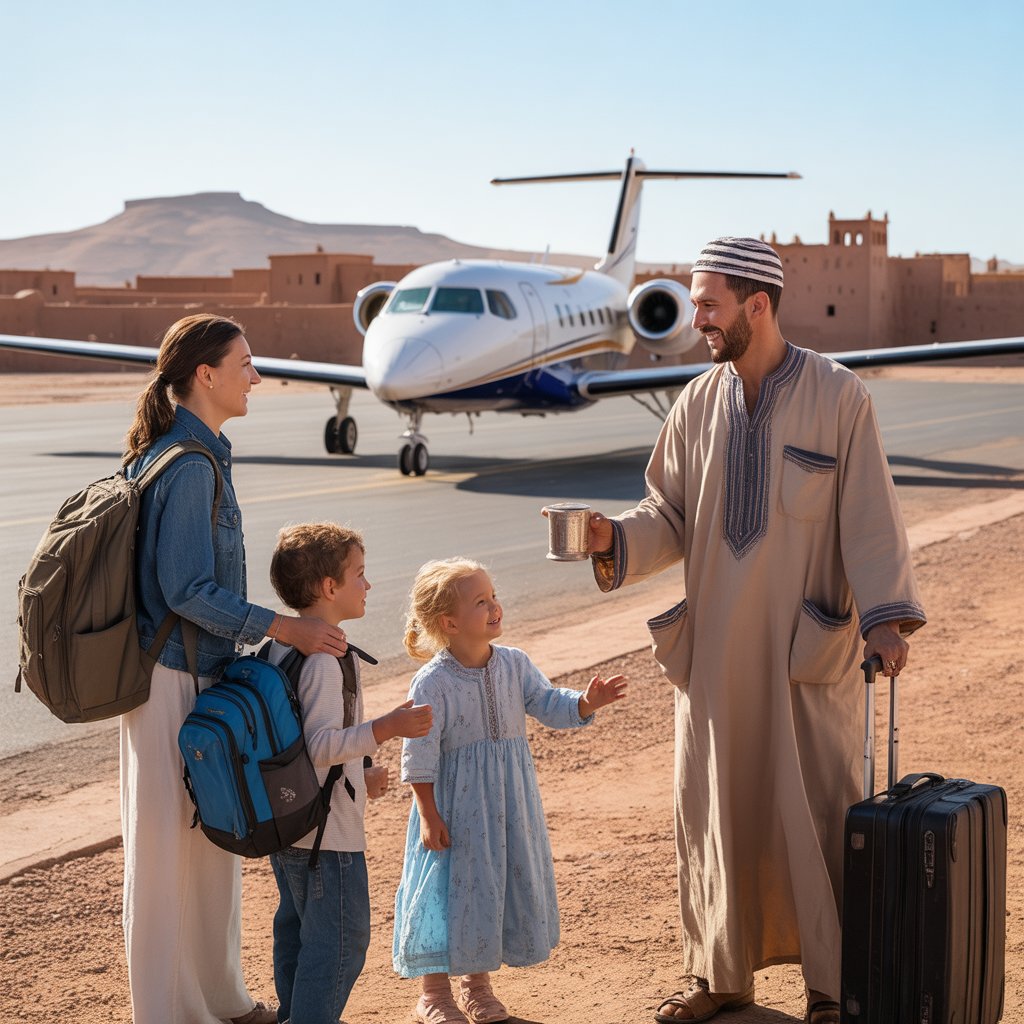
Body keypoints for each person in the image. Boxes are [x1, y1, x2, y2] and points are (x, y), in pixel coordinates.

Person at [584, 238, 926, 1024]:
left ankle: (832, 987)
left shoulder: (838, 396)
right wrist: (614, 537)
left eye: (709, 304)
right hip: (714, 658)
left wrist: (884, 620)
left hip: (807, 653)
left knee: (819, 812)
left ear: (757, 305)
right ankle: (719, 975)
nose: (696, 319)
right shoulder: (694, 403)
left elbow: (870, 518)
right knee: (715, 811)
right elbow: (668, 514)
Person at [120, 314, 350, 1024]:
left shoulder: (198, 455)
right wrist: (285, 627)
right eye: (245, 364)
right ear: (205, 374)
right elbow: (186, 589)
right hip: (169, 677)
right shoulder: (188, 466)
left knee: (211, 835)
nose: (256, 376)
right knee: (168, 849)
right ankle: (166, 1011)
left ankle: (219, 999)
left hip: (197, 671)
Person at [392, 558, 628, 1024]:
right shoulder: (433, 682)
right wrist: (428, 814)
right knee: (443, 891)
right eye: (481, 601)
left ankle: (476, 987)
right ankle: (433, 994)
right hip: (454, 809)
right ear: (449, 623)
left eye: (493, 595)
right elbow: (418, 754)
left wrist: (585, 702)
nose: (495, 606)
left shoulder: (514, 664)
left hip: (508, 805)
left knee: (487, 889)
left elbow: (548, 702)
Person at [262, 521, 433, 1024]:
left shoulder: (281, 648)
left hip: (286, 823)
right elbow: (319, 747)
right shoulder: (323, 660)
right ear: (328, 588)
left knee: (298, 934)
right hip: (326, 836)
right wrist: (385, 728)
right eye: (359, 573)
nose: (368, 583)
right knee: (340, 942)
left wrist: (363, 774)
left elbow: (305, 740)